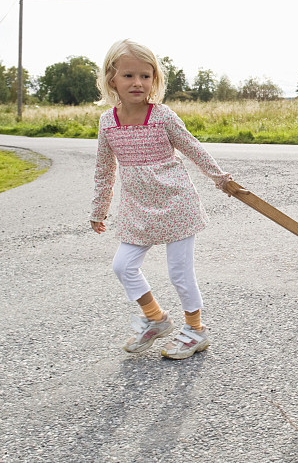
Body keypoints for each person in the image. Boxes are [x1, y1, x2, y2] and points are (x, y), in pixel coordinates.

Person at [90, 39, 232, 360]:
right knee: (122, 266)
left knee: (179, 273)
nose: (137, 83)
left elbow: (193, 148)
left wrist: (219, 177)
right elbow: (103, 170)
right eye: (128, 76)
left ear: (155, 79)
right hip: (136, 209)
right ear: (112, 79)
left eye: (145, 75)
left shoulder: (162, 116)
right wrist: (99, 210)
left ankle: (196, 331)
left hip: (176, 204)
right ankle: (156, 320)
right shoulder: (107, 122)